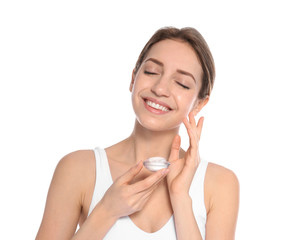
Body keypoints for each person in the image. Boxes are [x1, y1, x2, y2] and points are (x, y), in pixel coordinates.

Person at [36, 27, 239, 240]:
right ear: (133, 78)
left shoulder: (221, 184)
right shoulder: (77, 169)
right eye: (151, 71)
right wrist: (107, 210)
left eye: (182, 83)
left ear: (199, 103)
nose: (160, 88)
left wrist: (180, 197)